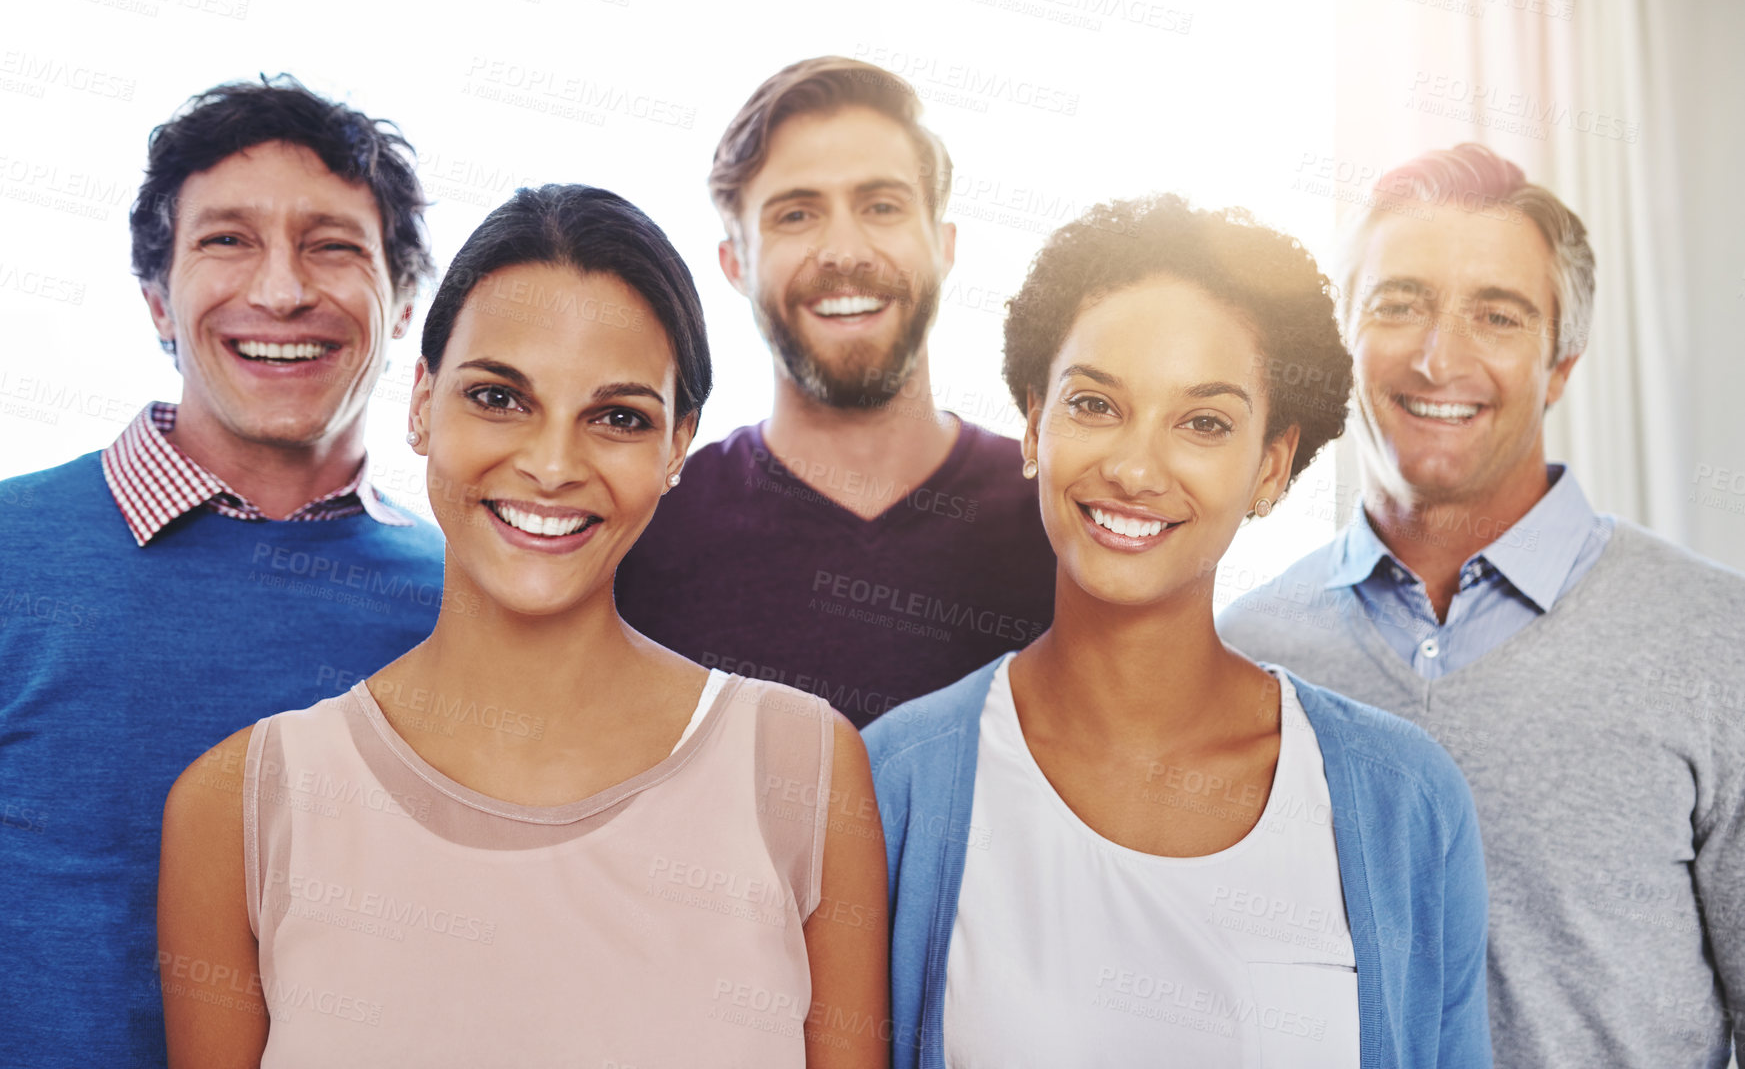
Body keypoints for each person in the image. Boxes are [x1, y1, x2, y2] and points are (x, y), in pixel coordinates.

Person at [158, 184, 889, 1067]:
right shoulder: (241, 806)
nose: (549, 465)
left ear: (678, 446)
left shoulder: (801, 770)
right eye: (499, 398)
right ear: (422, 402)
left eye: (617, 418)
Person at [867, 195, 1491, 1068]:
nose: (1132, 467)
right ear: (1032, 424)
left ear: (1270, 467)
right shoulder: (894, 783)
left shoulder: (1405, 802)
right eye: (1093, 404)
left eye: (1203, 423)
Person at [1216, 143, 1745, 1067]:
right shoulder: (1243, 654)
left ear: (1560, 364)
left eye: (1496, 315)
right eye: (1398, 304)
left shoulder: (1716, 643)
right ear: (1343, 334)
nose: (1437, 356)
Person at [0, 76, 445, 1069]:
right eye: (226, 240)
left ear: (405, 302)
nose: (281, 290)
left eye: (331, 244)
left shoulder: (462, 605)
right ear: (157, 301)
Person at [615, 56, 1056, 728]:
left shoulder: (1062, 521)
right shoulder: (643, 536)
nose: (843, 251)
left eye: (881, 206)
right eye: (796, 215)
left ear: (942, 246)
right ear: (736, 263)